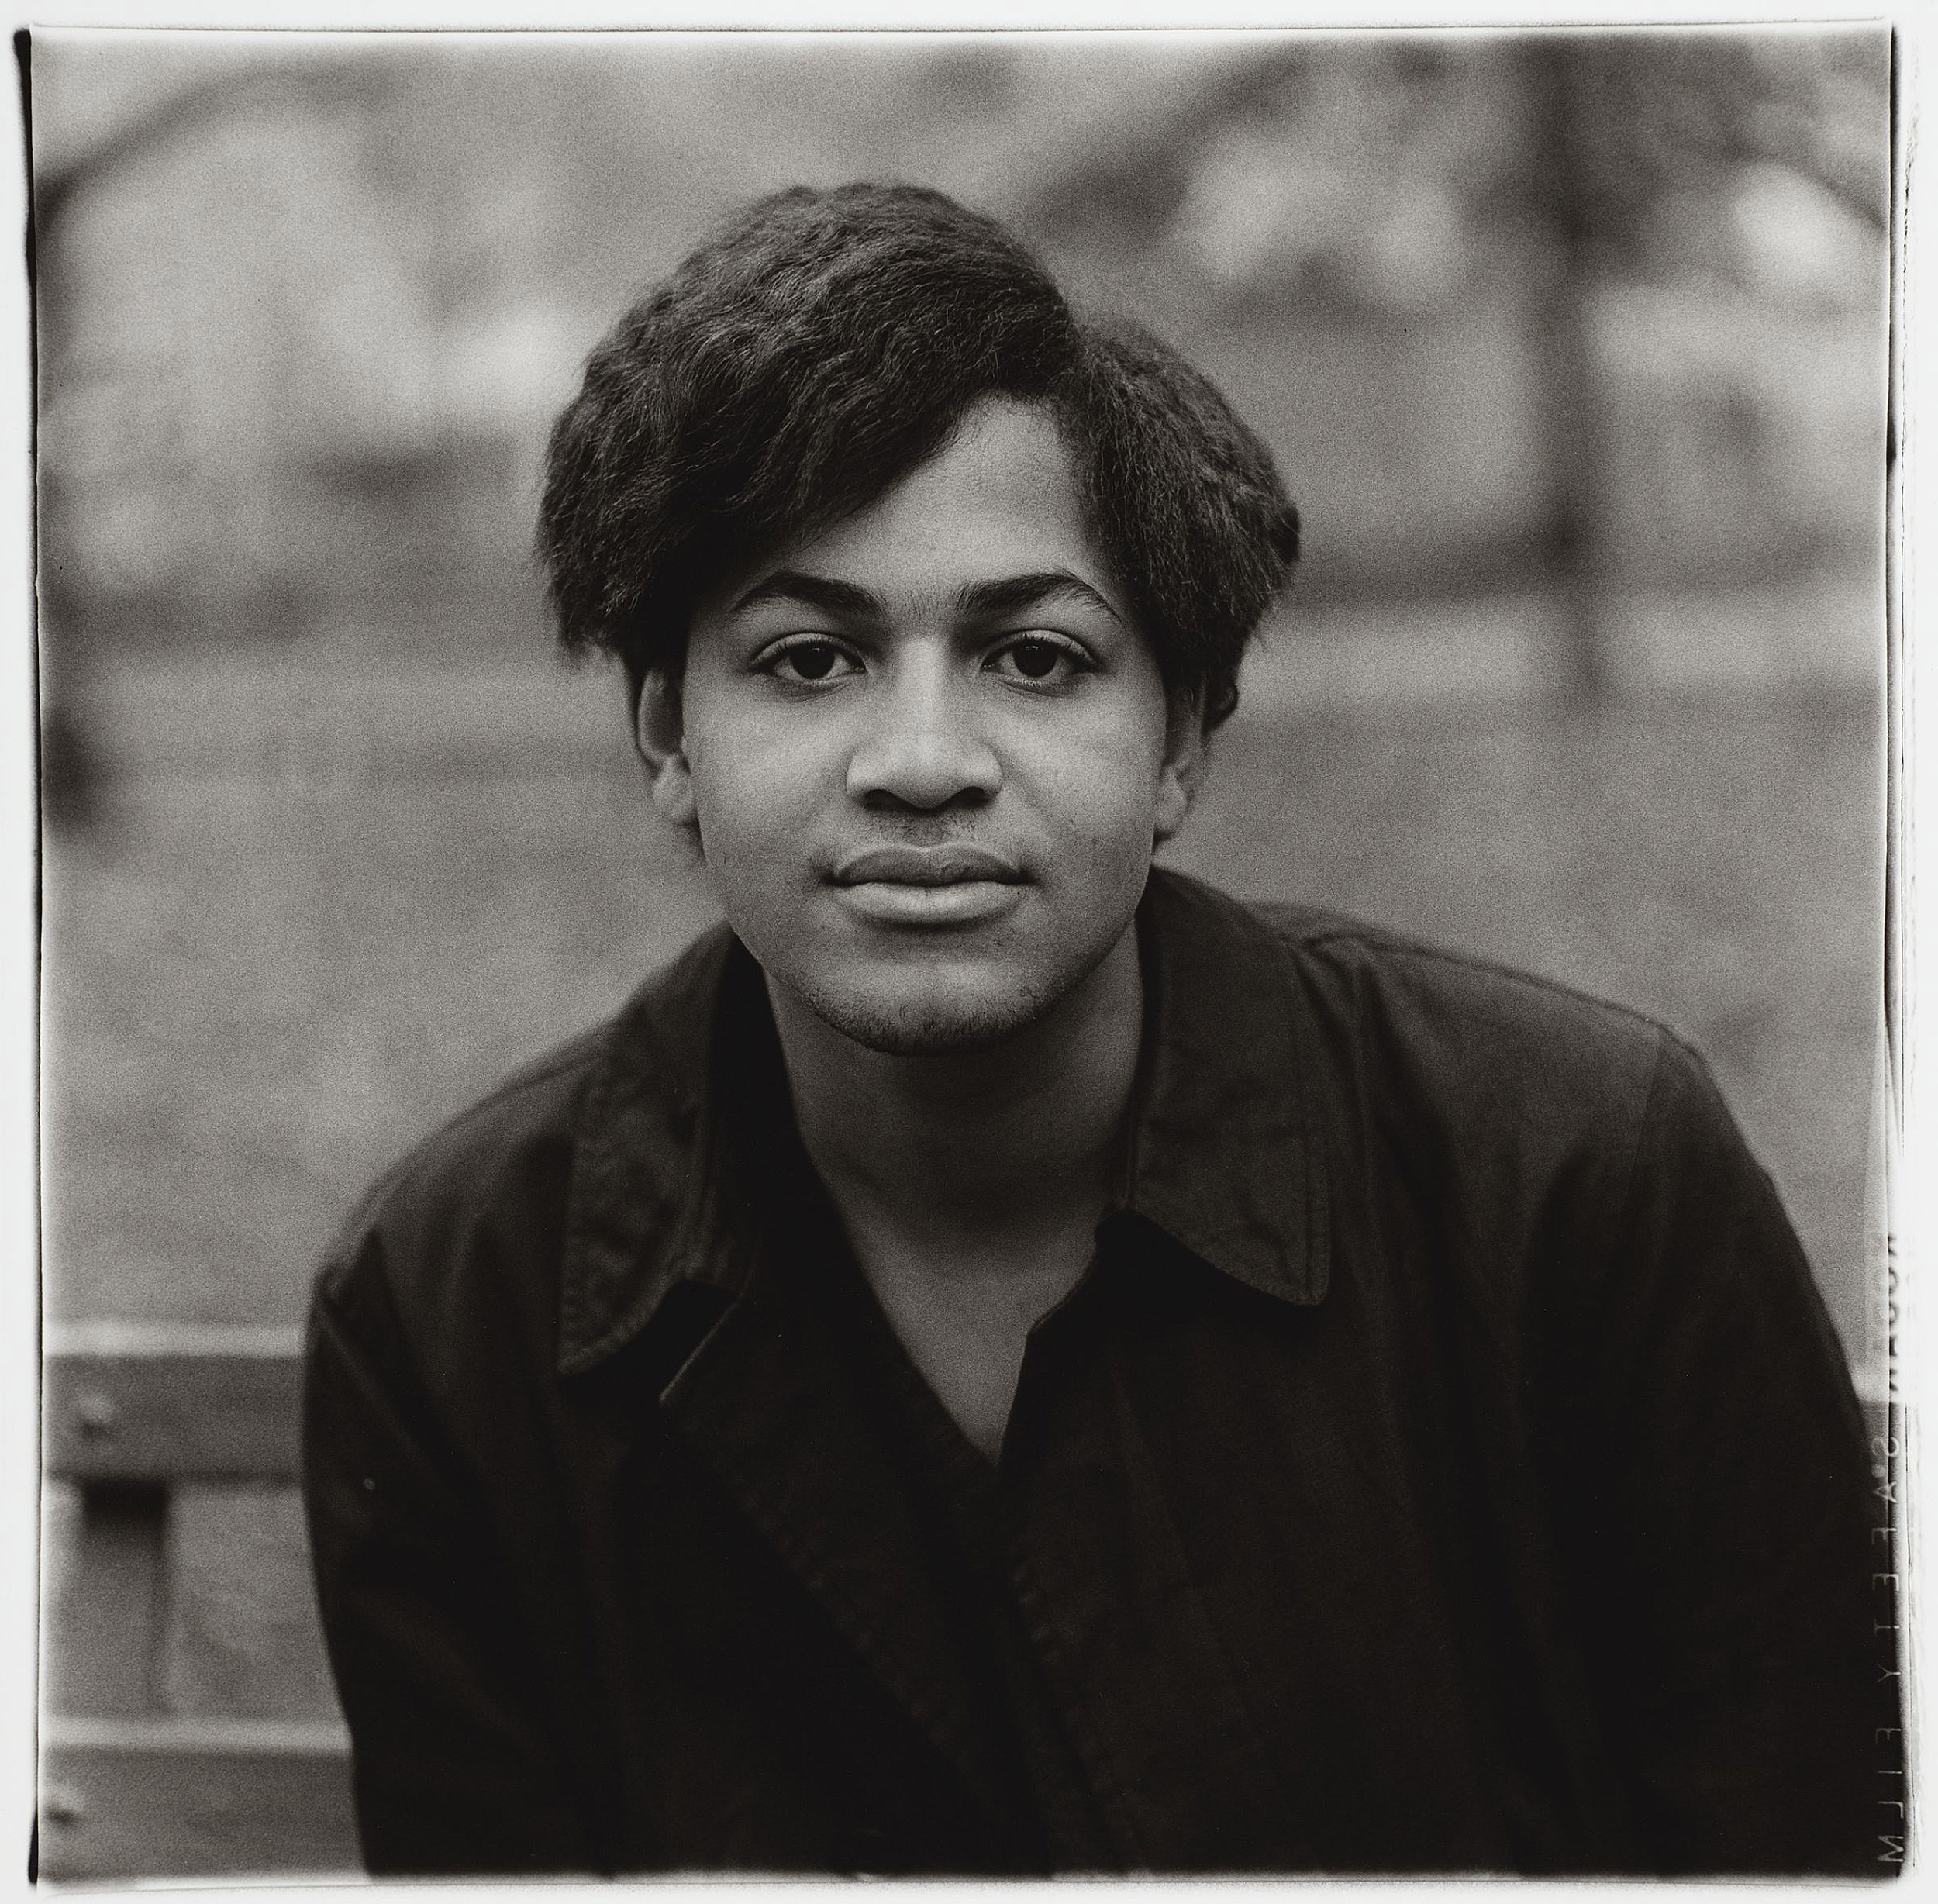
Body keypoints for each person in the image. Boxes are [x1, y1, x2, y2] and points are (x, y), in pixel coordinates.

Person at [302, 182, 1886, 1878]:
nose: (921, 758)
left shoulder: (1577, 1175)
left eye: (1035, 657)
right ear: (665, 736)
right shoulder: (452, 1298)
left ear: (1183, 741)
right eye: (810, 657)